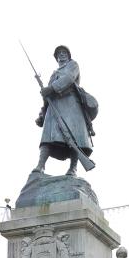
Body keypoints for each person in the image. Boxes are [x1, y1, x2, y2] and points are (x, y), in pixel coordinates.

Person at [33, 45, 96, 177]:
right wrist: (43, 112)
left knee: (74, 138)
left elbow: (68, 78)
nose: (62, 54)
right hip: (54, 107)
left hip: (71, 105)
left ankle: (73, 169)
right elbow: (48, 96)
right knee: (47, 138)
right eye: (59, 53)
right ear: (56, 57)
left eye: (64, 52)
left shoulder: (73, 65)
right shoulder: (54, 73)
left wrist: (50, 89)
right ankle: (40, 165)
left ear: (68, 55)